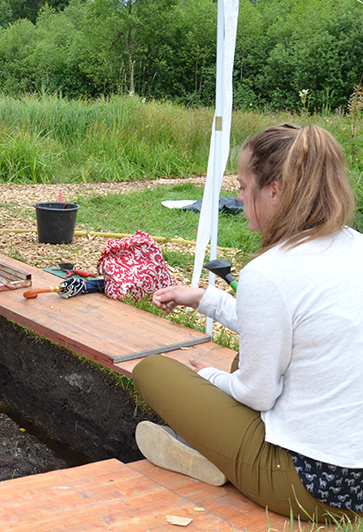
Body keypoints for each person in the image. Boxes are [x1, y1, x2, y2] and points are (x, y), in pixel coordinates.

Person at [133, 124, 363, 523]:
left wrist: (209, 377)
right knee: (244, 360)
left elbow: (258, 396)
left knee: (153, 370)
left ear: (274, 190)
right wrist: (207, 300)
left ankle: (208, 455)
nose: (238, 196)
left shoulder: (269, 271)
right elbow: (293, 325)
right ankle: (213, 449)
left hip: (312, 488)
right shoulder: (354, 246)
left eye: (243, 185)